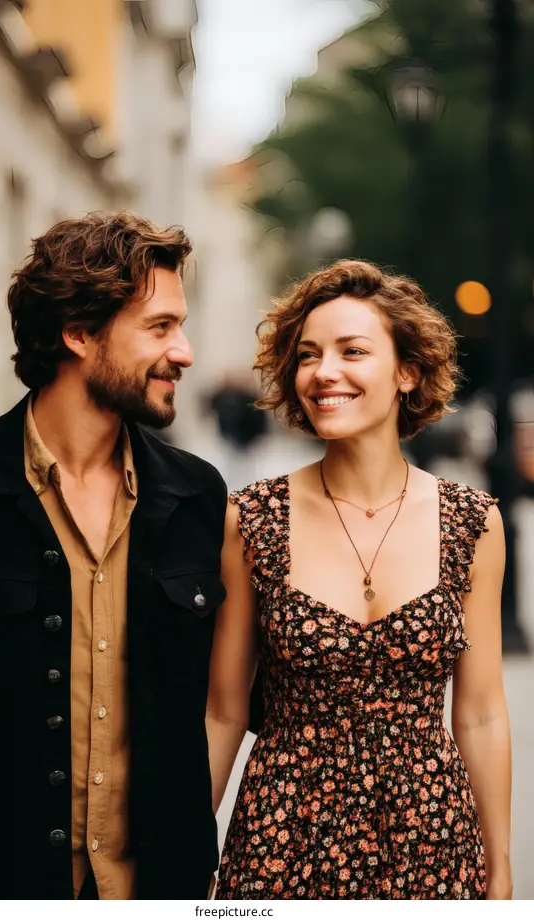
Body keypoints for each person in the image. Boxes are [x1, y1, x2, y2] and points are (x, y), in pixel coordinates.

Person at [0, 212, 227, 900]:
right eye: (159, 327)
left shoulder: (198, 497)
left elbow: (220, 706)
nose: (184, 353)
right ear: (79, 334)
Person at [207, 260, 512, 900]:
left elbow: (481, 714)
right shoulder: (252, 519)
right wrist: (183, 854)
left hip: (433, 841)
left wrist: (500, 865)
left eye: (352, 351)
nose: (324, 372)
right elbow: (224, 710)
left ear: (407, 372)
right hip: (281, 841)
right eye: (308, 355)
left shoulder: (473, 522)